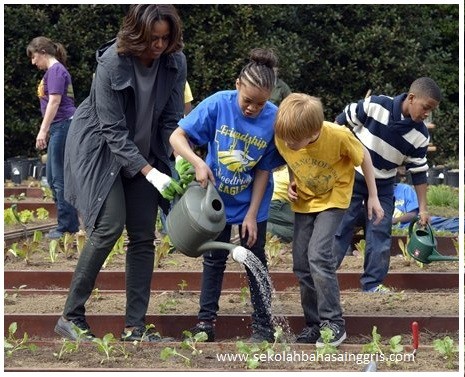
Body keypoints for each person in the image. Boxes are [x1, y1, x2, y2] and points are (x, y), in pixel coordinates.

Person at [54, 4, 186, 342]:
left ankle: (134, 327)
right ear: (137, 33)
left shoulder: (174, 61)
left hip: (146, 151)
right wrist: (150, 173)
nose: (159, 46)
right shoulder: (112, 61)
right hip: (100, 150)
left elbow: (171, 120)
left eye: (165, 38)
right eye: (152, 39)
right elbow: (112, 131)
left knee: (143, 235)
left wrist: (182, 159)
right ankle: (71, 316)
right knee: (110, 224)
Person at [169, 48, 285, 343]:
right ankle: (205, 323)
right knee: (214, 259)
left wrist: (251, 215)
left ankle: (263, 327)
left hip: (252, 204)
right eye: (247, 101)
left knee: (255, 261)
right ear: (237, 85)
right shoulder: (218, 104)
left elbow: (263, 171)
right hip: (215, 201)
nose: (252, 109)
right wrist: (197, 162)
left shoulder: (273, 119)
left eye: (260, 104)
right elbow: (177, 137)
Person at [274, 93, 383, 347]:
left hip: (334, 197)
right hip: (304, 199)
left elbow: (364, 157)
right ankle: (313, 324)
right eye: (285, 139)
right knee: (301, 263)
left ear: (313, 132)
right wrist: (291, 180)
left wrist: (374, 196)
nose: (287, 144)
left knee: (318, 255)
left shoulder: (337, 135)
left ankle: (333, 323)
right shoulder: (284, 135)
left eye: (294, 140)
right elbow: (293, 159)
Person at [333, 77, 442, 293]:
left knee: (380, 232)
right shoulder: (376, 105)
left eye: (431, 110)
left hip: (383, 184)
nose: (427, 113)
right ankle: (323, 276)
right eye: (426, 107)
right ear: (411, 98)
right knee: (341, 227)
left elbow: (419, 173)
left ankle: (372, 285)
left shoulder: (420, 135)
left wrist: (422, 208)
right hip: (352, 176)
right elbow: (341, 121)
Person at [26, 37, 80, 239]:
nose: (33, 62)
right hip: (59, 126)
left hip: (64, 125)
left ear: (41, 51)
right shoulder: (53, 72)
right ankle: (68, 224)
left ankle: (67, 226)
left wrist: (43, 130)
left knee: (59, 178)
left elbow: (55, 102)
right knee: (53, 177)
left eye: (33, 56)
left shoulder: (56, 71)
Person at [266, 165, 294, 243]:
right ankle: (265, 229)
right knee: (303, 230)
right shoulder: (294, 173)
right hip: (277, 204)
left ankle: (264, 228)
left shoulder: (282, 170)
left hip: (266, 203)